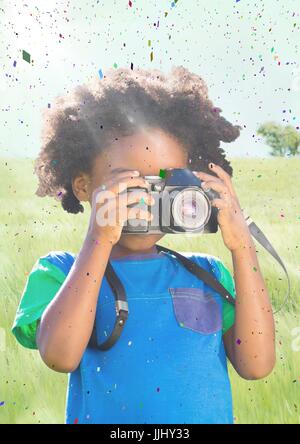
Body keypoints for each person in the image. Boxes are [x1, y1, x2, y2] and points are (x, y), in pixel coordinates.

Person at [11, 66, 275, 424]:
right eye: (130, 183)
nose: (149, 199)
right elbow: (60, 356)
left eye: (168, 182)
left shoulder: (208, 275)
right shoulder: (60, 272)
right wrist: (99, 237)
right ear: (84, 186)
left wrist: (243, 247)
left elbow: (256, 365)